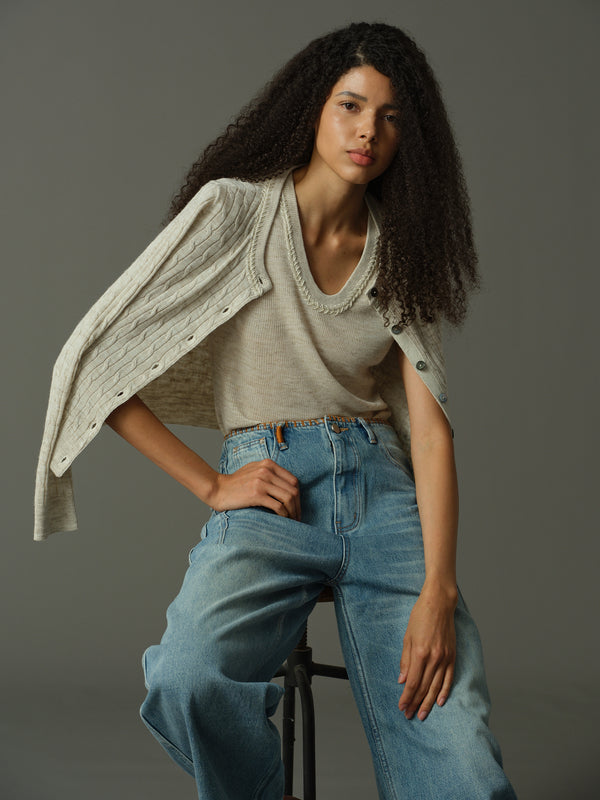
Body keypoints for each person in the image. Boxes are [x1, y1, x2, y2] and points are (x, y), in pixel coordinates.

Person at [35, 21, 517, 800]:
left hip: (383, 494)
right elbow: (92, 362)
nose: (367, 131)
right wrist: (212, 485)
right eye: (351, 105)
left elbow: (428, 430)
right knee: (190, 680)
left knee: (464, 773)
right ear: (313, 108)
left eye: (390, 117)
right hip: (271, 495)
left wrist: (440, 589)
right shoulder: (236, 213)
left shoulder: (402, 248)